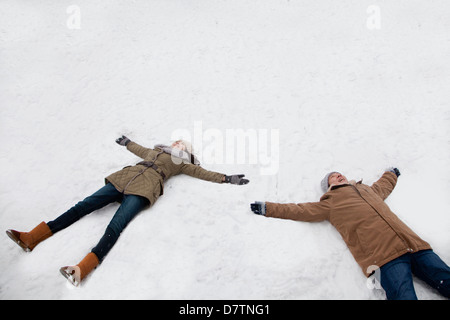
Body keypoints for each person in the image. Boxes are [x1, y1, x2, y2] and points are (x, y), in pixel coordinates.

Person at [6, 136, 249, 286]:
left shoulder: (181, 162)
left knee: (116, 224)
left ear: (186, 150)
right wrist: (127, 143)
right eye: (175, 141)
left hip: (145, 188)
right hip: (124, 178)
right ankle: (32, 237)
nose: (176, 143)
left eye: (181, 143)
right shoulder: (155, 151)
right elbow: (140, 149)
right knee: (83, 206)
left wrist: (226, 178)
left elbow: (201, 172)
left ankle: (82, 269)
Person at [250, 168, 450, 300]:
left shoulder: (368, 190)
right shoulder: (330, 203)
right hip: (385, 257)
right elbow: (298, 210)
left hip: (414, 245)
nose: (339, 175)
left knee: (445, 278)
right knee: (403, 295)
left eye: (340, 173)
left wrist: (391, 173)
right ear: (329, 185)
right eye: (333, 176)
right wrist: (268, 208)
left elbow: (383, 185)